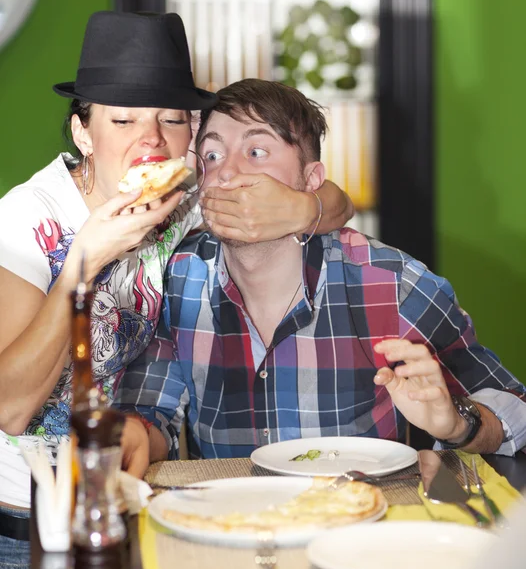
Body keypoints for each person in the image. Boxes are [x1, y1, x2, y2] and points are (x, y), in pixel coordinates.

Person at [0, 14, 352, 569]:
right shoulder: (29, 221)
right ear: (82, 132)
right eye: (123, 120)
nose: (151, 140)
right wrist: (82, 267)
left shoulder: (178, 201)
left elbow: (333, 198)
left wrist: (300, 211)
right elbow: (10, 407)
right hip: (22, 530)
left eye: (172, 119)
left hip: (126, 503)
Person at [116, 78, 526, 466]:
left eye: (256, 152)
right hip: (231, 528)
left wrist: (457, 423)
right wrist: (132, 435)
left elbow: (514, 409)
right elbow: (151, 412)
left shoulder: (391, 283)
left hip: (360, 528)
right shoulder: (175, 280)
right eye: (212, 155)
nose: (227, 172)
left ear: (311, 180)